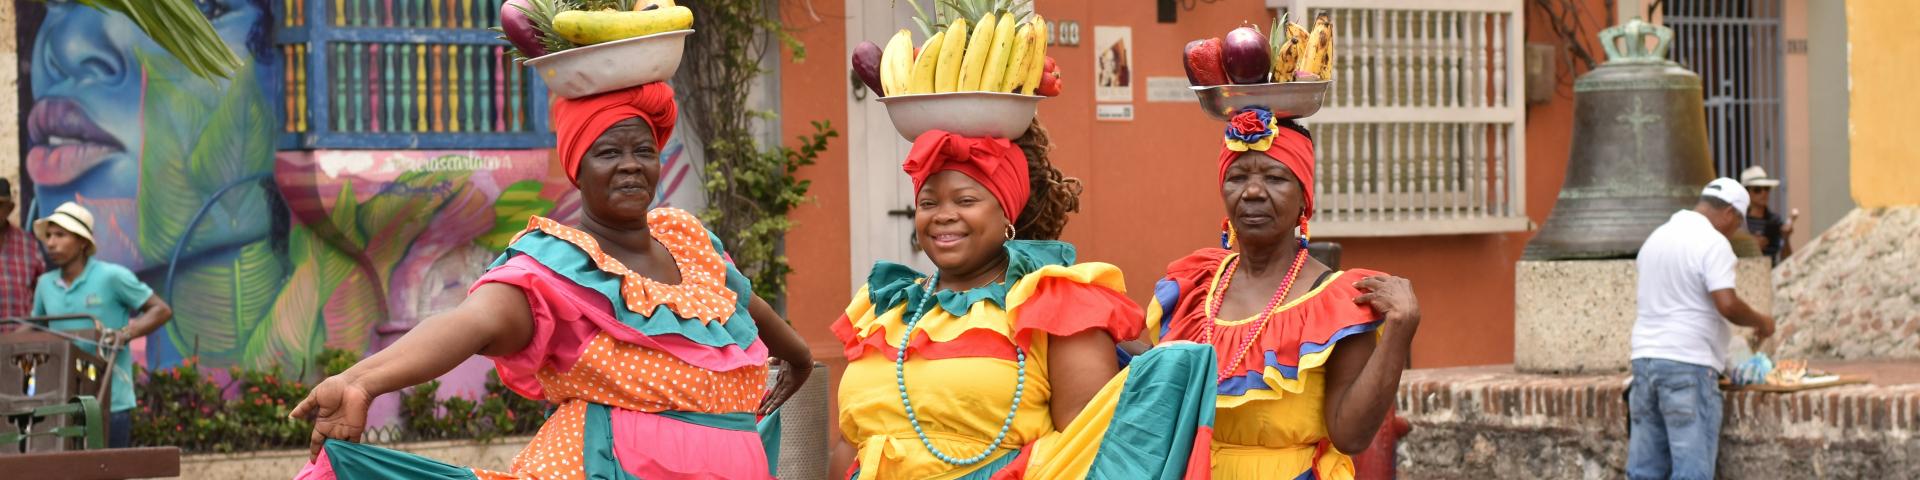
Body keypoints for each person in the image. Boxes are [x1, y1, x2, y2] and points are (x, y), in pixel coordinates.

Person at [290, 83, 814, 479]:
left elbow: (750, 309)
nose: (631, 167)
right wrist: (361, 381)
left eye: (643, 151)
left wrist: (800, 357)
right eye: (608, 153)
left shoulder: (685, 238)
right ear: (576, 169)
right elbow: (469, 322)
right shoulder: (557, 265)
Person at [830, 122, 1219, 479]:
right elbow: (850, 443)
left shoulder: (1054, 300)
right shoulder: (886, 305)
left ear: (1006, 215)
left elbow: (1092, 448)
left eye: (965, 201)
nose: (943, 216)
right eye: (929, 203)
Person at [1138, 107, 1420, 479]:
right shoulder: (1194, 290)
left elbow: (1351, 435)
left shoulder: (1335, 303)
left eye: (1275, 178)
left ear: (1304, 197)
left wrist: (1401, 329)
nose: (1253, 192)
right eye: (1237, 177)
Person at [1627, 178, 1776, 480]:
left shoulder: (1655, 238)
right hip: (1688, 366)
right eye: (1737, 223)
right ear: (1730, 213)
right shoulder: (1712, 243)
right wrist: (1762, 321)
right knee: (1692, 472)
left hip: (1644, 363)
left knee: (1644, 471)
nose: (1735, 231)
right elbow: (1727, 303)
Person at [29, 201, 174, 448]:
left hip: (110, 399)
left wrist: (125, 333)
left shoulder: (112, 276)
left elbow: (160, 310)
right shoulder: (44, 284)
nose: (51, 243)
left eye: (60, 235)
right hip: (60, 401)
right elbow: (35, 328)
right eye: (49, 236)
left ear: (83, 242)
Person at [0, 178, 46, 320]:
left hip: (20, 339)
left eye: (0, 205)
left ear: (10, 208)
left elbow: (43, 295)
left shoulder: (28, 244)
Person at [1739, 166, 1796, 264]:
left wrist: (1786, 238)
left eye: (1766, 188)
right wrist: (1751, 246)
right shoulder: (1739, 221)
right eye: (1757, 189)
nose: (1763, 193)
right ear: (1747, 192)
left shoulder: (1774, 221)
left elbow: (1786, 260)